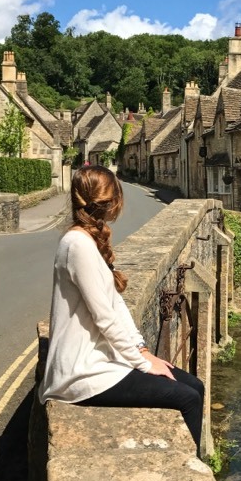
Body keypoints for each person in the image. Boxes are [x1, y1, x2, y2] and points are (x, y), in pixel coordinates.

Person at [38, 165, 204, 454]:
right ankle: (191, 466)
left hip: (102, 361)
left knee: (195, 386)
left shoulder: (87, 240)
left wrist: (141, 350)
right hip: (82, 373)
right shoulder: (77, 244)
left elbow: (116, 306)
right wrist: (142, 365)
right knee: (187, 398)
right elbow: (104, 317)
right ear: (111, 201)